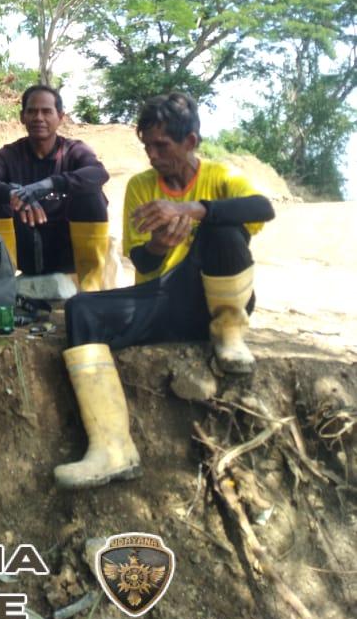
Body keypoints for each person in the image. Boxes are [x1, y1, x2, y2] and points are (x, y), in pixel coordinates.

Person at [55, 92, 275, 490]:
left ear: (190, 141)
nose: (153, 155)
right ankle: (113, 448)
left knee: (224, 227)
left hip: (213, 297)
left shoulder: (221, 178)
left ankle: (229, 334)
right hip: (164, 299)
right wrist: (159, 245)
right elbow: (143, 262)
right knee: (81, 310)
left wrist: (195, 211)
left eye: (162, 145)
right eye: (147, 146)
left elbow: (262, 209)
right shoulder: (142, 187)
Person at [0, 85, 111, 292]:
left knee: (92, 195)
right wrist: (14, 194)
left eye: (46, 111)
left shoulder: (73, 151)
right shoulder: (10, 155)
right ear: (22, 117)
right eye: (32, 111)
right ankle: (0, 283)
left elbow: (98, 173)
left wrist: (48, 185)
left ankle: (91, 287)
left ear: (60, 117)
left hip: (66, 251)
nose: (38, 117)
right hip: (26, 249)